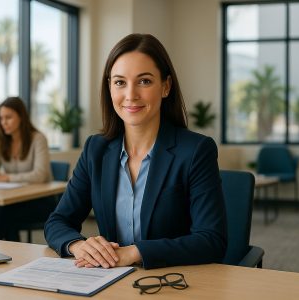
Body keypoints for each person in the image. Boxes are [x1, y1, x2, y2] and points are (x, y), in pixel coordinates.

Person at [44, 33, 227, 270]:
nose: (131, 95)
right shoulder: (95, 150)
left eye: (144, 81)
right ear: (109, 88)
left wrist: (135, 253)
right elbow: (58, 221)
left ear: (166, 86)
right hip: (110, 282)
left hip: (172, 282)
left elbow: (211, 240)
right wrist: (77, 245)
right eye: (120, 82)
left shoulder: (196, 151)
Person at [0, 96, 52, 241]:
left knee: (2, 213)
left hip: (41, 201)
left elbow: (40, 175)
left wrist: (5, 177)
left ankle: (1, 254)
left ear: (21, 117)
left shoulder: (38, 139)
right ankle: (3, 255)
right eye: (1, 118)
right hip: (13, 200)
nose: (4, 123)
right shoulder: (0, 142)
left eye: (8, 117)